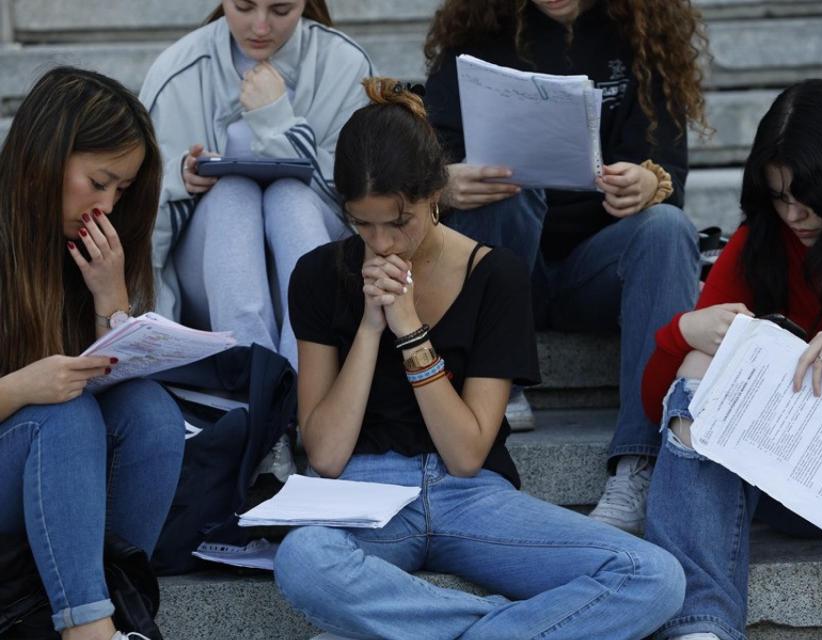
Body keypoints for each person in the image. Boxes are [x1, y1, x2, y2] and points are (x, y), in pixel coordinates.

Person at [273, 77, 685, 640]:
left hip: (470, 495)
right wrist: (370, 328)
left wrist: (410, 328)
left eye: (399, 222)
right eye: (361, 224)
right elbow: (325, 453)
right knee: (302, 557)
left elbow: (466, 452)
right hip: (364, 492)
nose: (383, 242)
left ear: (434, 194)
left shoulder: (496, 276)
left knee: (654, 576)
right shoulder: (320, 275)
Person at [423, 0, 707, 528]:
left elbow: (670, 168)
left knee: (668, 228)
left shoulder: (641, 38)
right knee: (506, 192)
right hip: (503, 262)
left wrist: (651, 183)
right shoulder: (478, 38)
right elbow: (423, 159)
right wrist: (445, 182)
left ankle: (640, 462)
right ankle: (495, 378)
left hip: (595, 268)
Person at [641, 79, 822, 640]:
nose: (794, 215)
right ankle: (700, 626)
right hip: (790, 474)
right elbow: (655, 407)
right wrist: (683, 330)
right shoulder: (761, 238)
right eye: (779, 196)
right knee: (698, 369)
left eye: (810, 199)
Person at [0, 66, 185, 640]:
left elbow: (103, 387)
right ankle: (90, 629)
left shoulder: (83, 248)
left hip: (49, 468)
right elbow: (51, 403)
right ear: (47, 157)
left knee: (150, 412)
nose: (105, 206)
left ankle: (121, 606)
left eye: (121, 191)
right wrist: (19, 389)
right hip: (26, 442)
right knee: (60, 415)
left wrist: (111, 300)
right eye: (99, 181)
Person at [139, 0, 373, 368]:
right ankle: (253, 377)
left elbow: (363, 196)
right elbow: (139, 207)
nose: (260, 27)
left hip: (319, 259)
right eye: (244, 7)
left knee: (288, 198)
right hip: (207, 282)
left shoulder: (345, 63)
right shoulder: (178, 70)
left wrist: (276, 121)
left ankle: (306, 378)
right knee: (234, 192)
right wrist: (179, 178)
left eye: (281, 10)